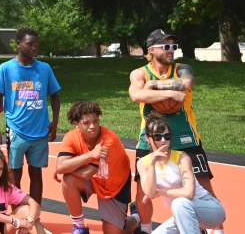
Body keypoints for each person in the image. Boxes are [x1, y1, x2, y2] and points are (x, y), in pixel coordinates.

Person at [128, 29, 217, 233]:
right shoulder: (139, 73)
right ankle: (146, 229)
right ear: (151, 49)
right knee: (143, 193)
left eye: (173, 46)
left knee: (205, 189)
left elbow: (185, 84)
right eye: (165, 46)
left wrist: (153, 87)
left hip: (186, 138)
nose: (171, 50)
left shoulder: (183, 68)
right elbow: (136, 95)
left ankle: (213, 229)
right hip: (151, 139)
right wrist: (168, 92)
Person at [0, 28, 60, 204]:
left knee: (36, 173)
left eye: (36, 44)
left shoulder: (44, 68)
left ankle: (34, 213)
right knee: (14, 173)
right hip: (16, 130)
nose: (34, 47)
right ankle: (18, 211)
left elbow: (55, 95)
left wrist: (55, 122)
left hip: (40, 130)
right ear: (18, 44)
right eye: (29, 44)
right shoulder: (6, 68)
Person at [136, 113, 226, 234]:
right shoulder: (144, 163)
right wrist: (153, 163)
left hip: (210, 210)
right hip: (184, 214)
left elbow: (188, 193)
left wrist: (163, 192)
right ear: (148, 138)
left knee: (179, 202)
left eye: (167, 136)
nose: (163, 140)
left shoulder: (182, 158)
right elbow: (150, 193)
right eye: (158, 137)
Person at [55, 101, 136, 234]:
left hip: (114, 186)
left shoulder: (109, 141)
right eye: (86, 123)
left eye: (95, 121)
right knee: (68, 180)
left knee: (116, 232)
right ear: (76, 124)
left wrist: (66, 167)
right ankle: (79, 226)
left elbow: (86, 172)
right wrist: (90, 155)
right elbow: (60, 167)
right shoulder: (71, 137)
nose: (92, 126)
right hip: (94, 180)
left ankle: (135, 217)